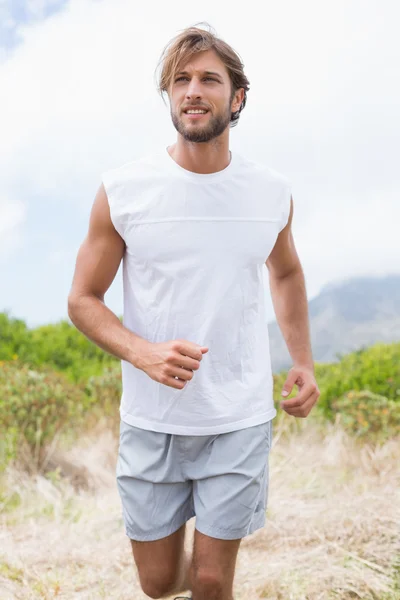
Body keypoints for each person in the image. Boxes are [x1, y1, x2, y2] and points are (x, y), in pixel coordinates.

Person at [67, 22, 320, 600]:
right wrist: (144, 352)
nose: (192, 91)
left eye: (209, 78)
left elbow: (285, 271)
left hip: (239, 415)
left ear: (238, 97)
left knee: (210, 579)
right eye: (179, 80)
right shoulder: (124, 190)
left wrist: (302, 361)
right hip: (152, 420)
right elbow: (83, 298)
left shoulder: (270, 191)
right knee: (159, 584)